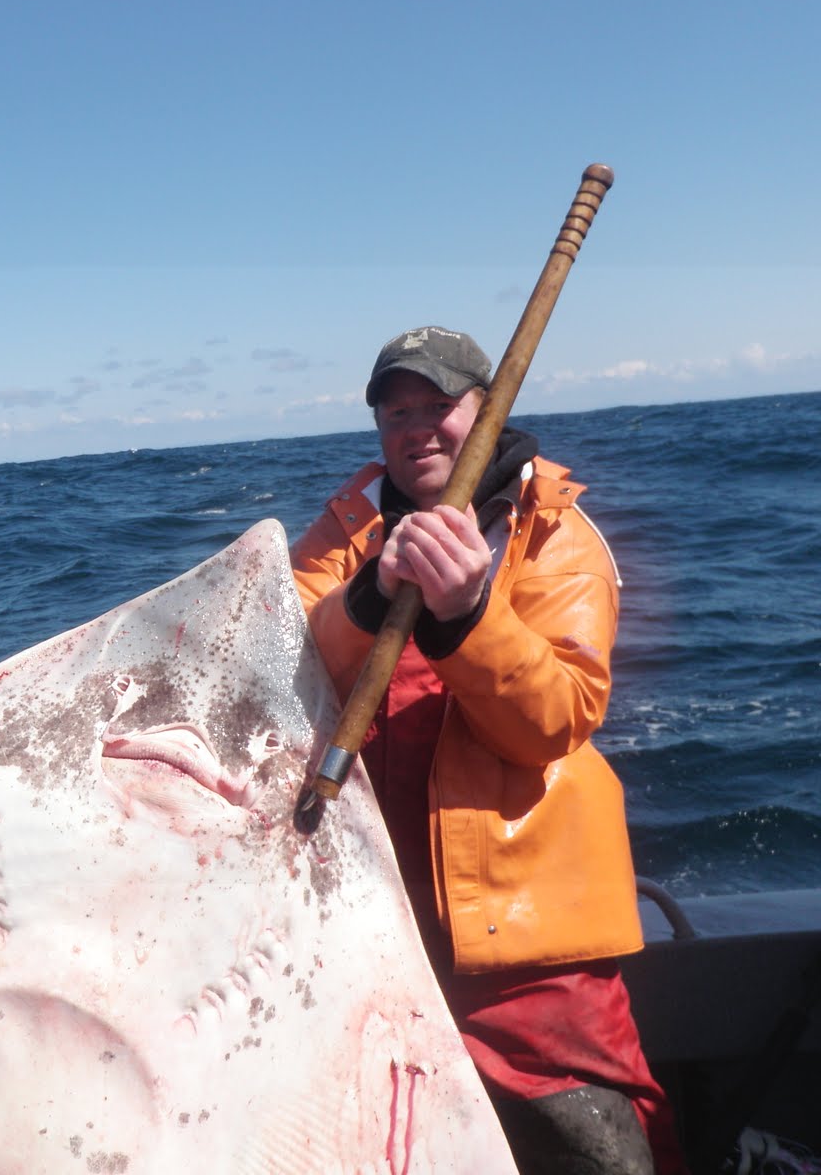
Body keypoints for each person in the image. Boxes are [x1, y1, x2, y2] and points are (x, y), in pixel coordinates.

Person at [290, 326, 686, 1175]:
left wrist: (467, 613)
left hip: (525, 942)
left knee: (597, 1150)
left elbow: (556, 718)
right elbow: (281, 666)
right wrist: (368, 595)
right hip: (371, 925)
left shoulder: (555, 535)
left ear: (488, 409)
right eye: (397, 411)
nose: (417, 428)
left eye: (440, 406)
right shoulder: (342, 533)